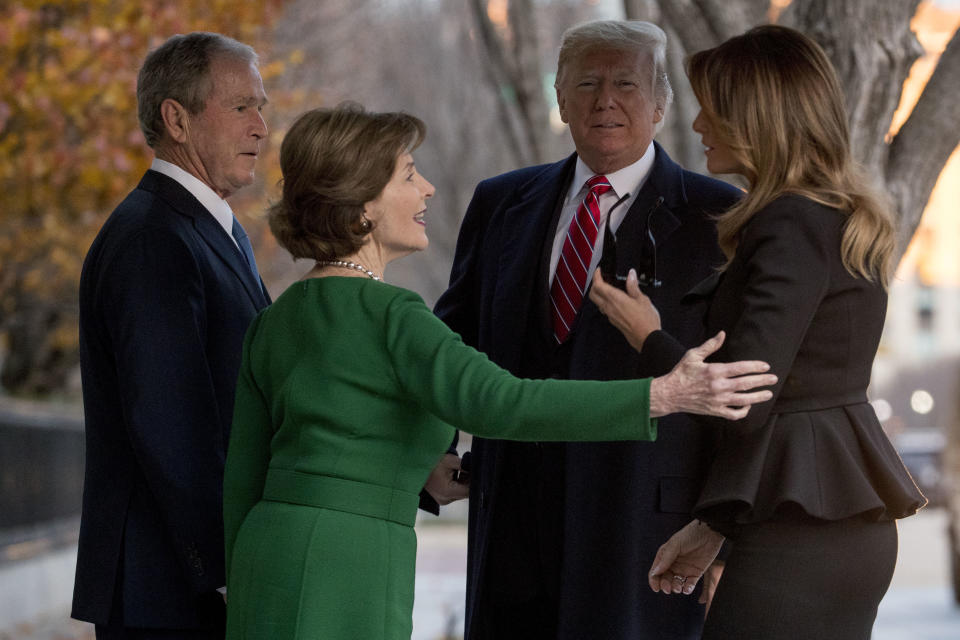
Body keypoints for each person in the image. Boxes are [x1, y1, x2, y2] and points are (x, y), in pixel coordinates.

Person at [220, 104, 777, 640]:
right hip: (349, 563)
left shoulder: (276, 319)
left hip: (264, 554)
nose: (428, 189)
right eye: (410, 176)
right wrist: (658, 395)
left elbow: (245, 472)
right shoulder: (394, 317)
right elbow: (507, 403)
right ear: (362, 203)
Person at [591, 25, 927, 640]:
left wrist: (649, 338)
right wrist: (712, 525)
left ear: (757, 117)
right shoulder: (830, 216)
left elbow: (745, 398)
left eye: (712, 112)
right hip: (828, 527)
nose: (697, 128)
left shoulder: (791, 222)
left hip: (804, 543)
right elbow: (787, 394)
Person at [433, 20, 741, 639]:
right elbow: (449, 342)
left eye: (625, 83)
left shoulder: (722, 217)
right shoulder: (500, 202)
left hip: (650, 536)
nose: (605, 100)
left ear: (659, 104)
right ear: (560, 100)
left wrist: (725, 533)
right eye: (587, 83)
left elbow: (744, 384)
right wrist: (436, 448)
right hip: (511, 526)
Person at [73, 32, 271, 639]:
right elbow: (170, 424)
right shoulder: (153, 238)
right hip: (166, 589)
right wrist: (226, 565)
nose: (262, 127)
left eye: (262, 106)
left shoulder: (204, 229)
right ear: (177, 120)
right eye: (241, 107)